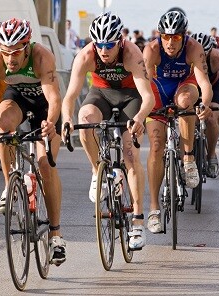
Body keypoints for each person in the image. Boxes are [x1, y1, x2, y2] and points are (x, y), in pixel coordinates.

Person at [0, 18, 66, 266]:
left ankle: (55, 235)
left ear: (27, 46)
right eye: (5, 52)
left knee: (45, 165)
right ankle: (8, 185)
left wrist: (50, 122)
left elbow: (53, 98)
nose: (10, 58)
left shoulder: (42, 57)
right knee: (4, 125)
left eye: (16, 52)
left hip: (46, 108)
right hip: (17, 99)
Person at [61, 12, 155, 250]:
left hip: (130, 97)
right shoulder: (86, 56)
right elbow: (70, 96)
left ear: (119, 41)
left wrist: (140, 119)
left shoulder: (132, 54)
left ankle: (137, 221)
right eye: (99, 44)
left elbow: (148, 97)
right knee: (85, 120)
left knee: (130, 153)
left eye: (109, 45)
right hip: (101, 94)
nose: (104, 49)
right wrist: (65, 119)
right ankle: (97, 173)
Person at [143, 11, 212, 233]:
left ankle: (189, 158)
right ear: (159, 35)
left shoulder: (194, 48)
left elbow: (204, 82)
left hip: (184, 84)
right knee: (155, 146)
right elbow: (141, 84)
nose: (170, 43)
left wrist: (206, 104)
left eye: (176, 37)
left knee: (185, 102)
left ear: (184, 36)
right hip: (159, 88)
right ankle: (154, 209)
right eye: (166, 37)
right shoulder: (152, 50)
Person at [191, 32, 219, 178]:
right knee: (190, 119)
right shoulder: (187, 55)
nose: (201, 58)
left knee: (211, 119)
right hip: (192, 88)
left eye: (204, 55)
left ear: (210, 50)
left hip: (213, 88)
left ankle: (211, 155)